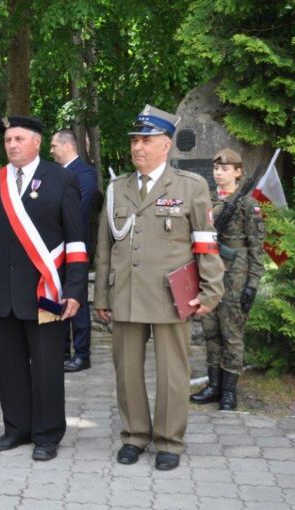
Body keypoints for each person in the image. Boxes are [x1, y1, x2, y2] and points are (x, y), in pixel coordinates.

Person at [93, 105, 225, 471]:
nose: (138, 147)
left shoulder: (190, 187)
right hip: (127, 295)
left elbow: (206, 243)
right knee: (127, 370)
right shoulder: (117, 188)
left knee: (172, 373)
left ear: (166, 145)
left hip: (171, 297)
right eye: (135, 140)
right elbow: (105, 248)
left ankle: (169, 440)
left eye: (146, 140)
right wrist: (101, 295)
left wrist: (211, 290)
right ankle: (135, 436)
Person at [0, 116, 88, 462]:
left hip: (45, 294)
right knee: (8, 366)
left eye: (19, 138)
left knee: (48, 367)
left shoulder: (62, 179)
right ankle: (16, 428)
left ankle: (48, 435)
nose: (12, 145)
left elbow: (76, 240)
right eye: (8, 140)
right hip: (1, 293)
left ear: (37, 141)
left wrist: (75, 290)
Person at [191, 148, 264, 410]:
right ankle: (213, 385)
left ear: (238, 172)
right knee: (211, 331)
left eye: (224, 169)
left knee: (231, 334)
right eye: (216, 169)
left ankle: (230, 392)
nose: (218, 173)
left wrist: (252, 284)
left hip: (236, 277)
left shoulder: (247, 204)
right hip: (211, 275)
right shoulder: (208, 201)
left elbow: (257, 248)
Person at [50, 129, 99, 372]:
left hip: (75, 248)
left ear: (67, 146)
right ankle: (60, 350)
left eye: (54, 146)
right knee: (56, 296)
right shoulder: (54, 174)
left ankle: (82, 354)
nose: (51, 151)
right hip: (54, 249)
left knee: (76, 299)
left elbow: (79, 210)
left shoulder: (85, 173)